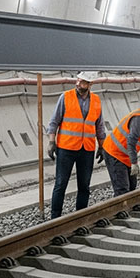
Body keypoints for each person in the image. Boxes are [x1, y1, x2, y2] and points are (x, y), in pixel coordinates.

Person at [46, 71, 106, 218]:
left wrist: (102, 146)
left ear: (91, 84)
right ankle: (55, 218)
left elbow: (99, 126)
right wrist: (51, 141)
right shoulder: (65, 97)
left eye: (83, 82)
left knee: (84, 186)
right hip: (66, 148)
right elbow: (54, 121)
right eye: (78, 80)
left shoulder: (97, 101)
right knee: (61, 184)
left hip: (87, 149)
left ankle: (80, 217)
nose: (78, 84)